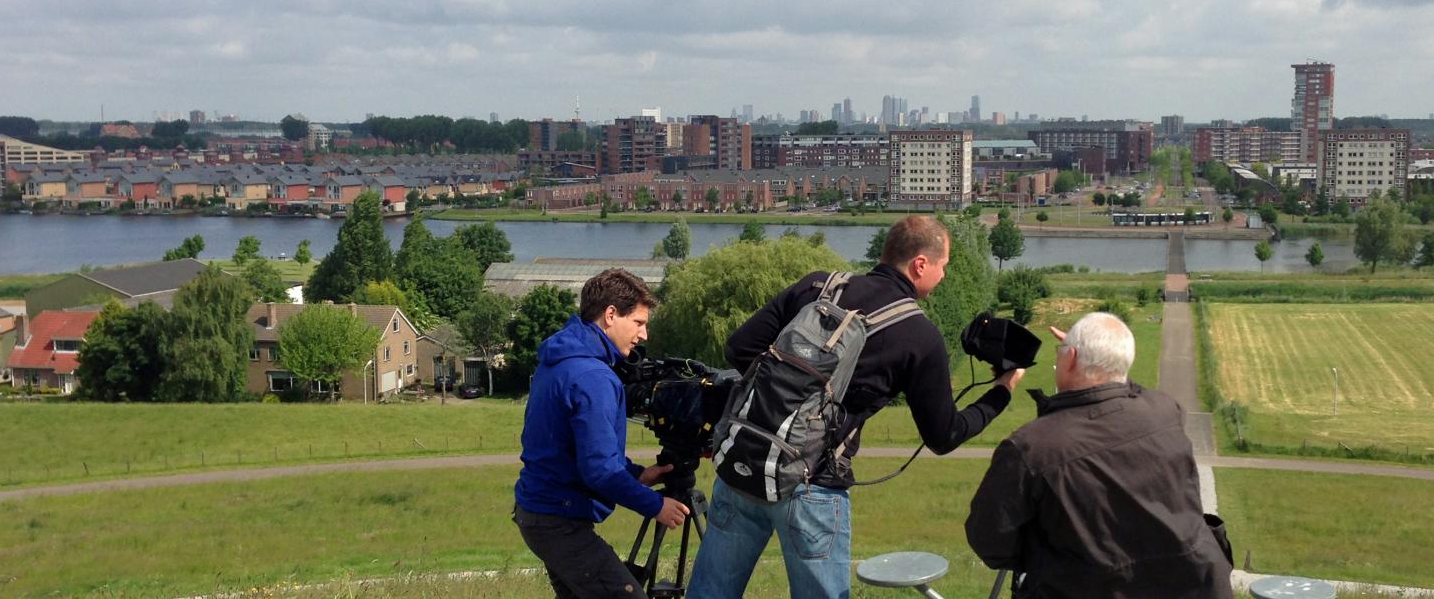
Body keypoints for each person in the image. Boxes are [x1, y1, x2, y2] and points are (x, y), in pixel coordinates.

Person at [688, 215, 1026, 598]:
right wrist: (1001, 392)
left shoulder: (817, 286)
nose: (943, 275)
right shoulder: (920, 335)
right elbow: (943, 435)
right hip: (814, 483)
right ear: (920, 264)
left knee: (709, 592)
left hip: (745, 460)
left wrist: (782, 397)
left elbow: (739, 347)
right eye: (943, 266)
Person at [965, 312, 1232, 598]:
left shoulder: (1030, 447)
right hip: (1192, 586)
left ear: (1069, 359)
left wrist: (1049, 553)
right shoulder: (1166, 411)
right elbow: (1126, 395)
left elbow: (989, 541)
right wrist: (1093, 353)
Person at [512, 268, 692, 599]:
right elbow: (599, 470)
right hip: (559, 520)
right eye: (638, 323)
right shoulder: (592, 376)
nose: (644, 335)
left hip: (539, 513)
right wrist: (655, 506)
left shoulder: (559, 358)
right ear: (610, 315)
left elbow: (578, 450)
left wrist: (638, 475)